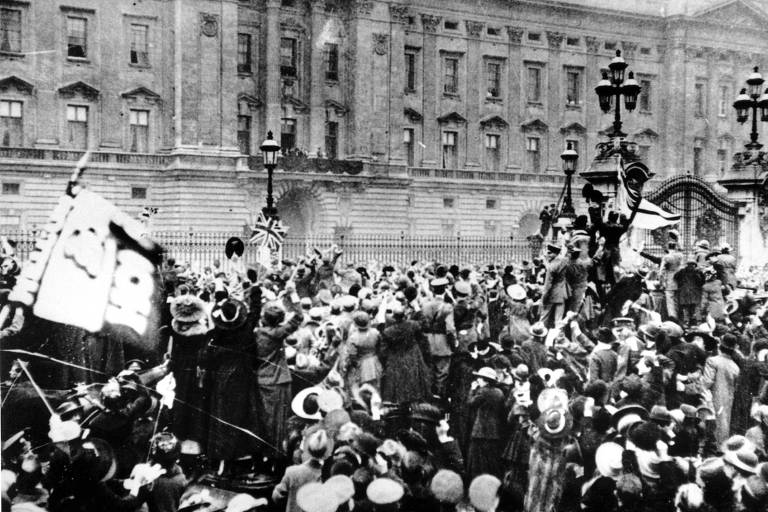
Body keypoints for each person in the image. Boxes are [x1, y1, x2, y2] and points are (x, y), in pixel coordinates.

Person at [272, 429, 331, 512]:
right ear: (325, 453)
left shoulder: (291, 472)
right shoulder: (326, 476)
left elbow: (276, 497)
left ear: (308, 448)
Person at [702, 333, 741, 445]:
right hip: (728, 400)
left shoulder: (712, 361)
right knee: (724, 423)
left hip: (712, 397)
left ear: (720, 346)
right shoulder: (735, 367)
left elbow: (707, 382)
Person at [540, 244, 568, 328]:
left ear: (555, 254)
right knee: (558, 320)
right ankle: (558, 339)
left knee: (543, 318)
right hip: (563, 293)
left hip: (551, 294)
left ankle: (539, 335)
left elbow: (548, 285)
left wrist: (543, 298)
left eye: (549, 253)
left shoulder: (551, 266)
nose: (547, 255)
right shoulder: (565, 261)